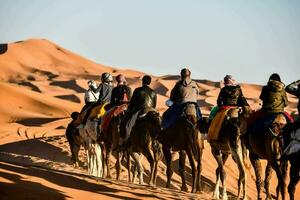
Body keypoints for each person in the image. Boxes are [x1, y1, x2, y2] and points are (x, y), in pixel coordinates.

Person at [208, 75, 249, 141]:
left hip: (225, 109)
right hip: (237, 109)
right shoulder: (238, 89)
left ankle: (210, 134)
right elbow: (242, 100)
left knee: (213, 114)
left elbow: (219, 101)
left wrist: (220, 107)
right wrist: (242, 107)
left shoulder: (223, 90)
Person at [120, 75, 157, 141]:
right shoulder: (153, 92)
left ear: (142, 81)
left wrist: (129, 110)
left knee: (125, 123)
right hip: (151, 111)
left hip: (140, 110)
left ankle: (124, 140)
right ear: (150, 82)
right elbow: (154, 105)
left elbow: (132, 103)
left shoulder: (138, 90)